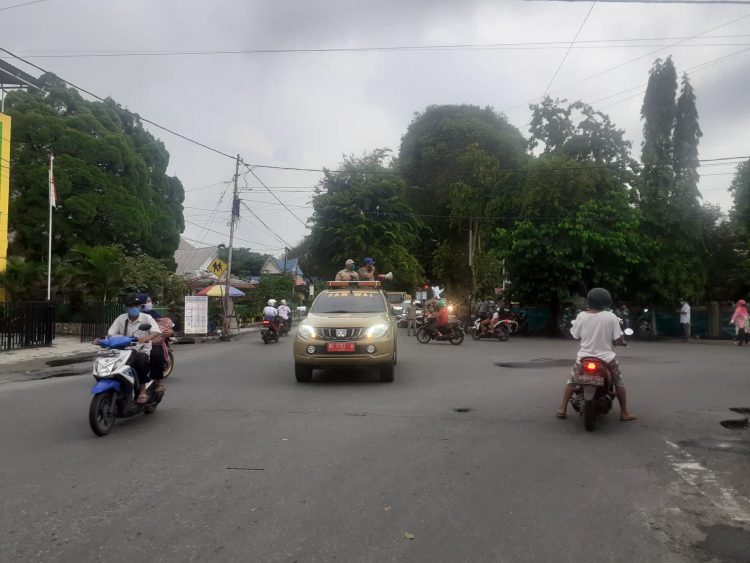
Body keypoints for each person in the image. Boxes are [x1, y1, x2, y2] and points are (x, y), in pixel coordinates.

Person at [556, 287, 637, 421]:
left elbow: (575, 335)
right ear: (606, 302)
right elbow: (618, 339)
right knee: (618, 381)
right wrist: (621, 342)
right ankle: (624, 413)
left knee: (572, 381)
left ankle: (562, 409)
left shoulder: (581, 316)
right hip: (606, 359)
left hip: (584, 358)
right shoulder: (611, 317)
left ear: (589, 301)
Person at [96, 294, 162, 404]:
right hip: (122, 350)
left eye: (136, 305)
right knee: (107, 360)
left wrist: (147, 338)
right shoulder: (121, 318)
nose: (133, 307)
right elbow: (111, 334)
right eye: (131, 305)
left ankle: (142, 390)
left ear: (140, 306)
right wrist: (101, 340)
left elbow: (155, 331)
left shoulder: (147, 318)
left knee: (140, 362)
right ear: (126, 307)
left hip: (141, 349)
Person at [140, 294, 174, 392]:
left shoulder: (154, 317)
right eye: (147, 301)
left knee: (155, 354)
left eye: (149, 301)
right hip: (134, 344)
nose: (150, 303)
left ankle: (159, 381)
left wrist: (170, 332)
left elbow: (162, 330)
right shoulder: (125, 318)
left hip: (151, 343)